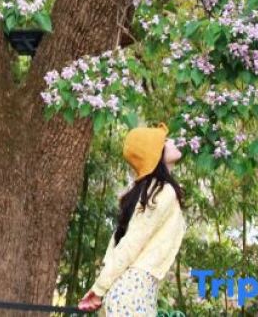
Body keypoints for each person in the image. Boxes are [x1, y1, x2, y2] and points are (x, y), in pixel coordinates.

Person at [78, 122, 187, 316]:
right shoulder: (161, 192)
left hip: (132, 293)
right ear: (156, 153)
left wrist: (100, 289)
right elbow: (131, 243)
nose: (172, 141)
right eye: (165, 140)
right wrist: (99, 288)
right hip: (132, 293)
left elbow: (119, 243)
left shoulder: (148, 193)